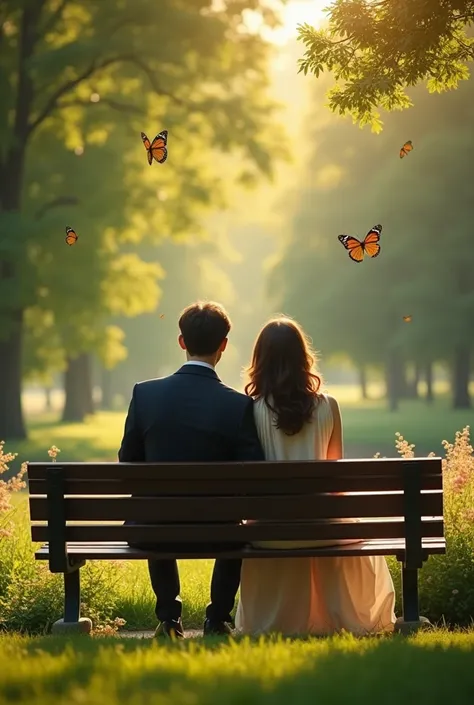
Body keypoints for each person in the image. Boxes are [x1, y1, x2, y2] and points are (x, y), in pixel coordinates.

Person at [235, 316, 396, 636]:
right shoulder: (329, 406)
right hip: (323, 527)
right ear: (302, 358)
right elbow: (336, 481)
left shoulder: (250, 410)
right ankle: (338, 618)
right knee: (355, 528)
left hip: (270, 532)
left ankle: (280, 622)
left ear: (260, 361)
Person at [118, 301, 264, 639]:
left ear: (182, 341)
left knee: (155, 510)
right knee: (235, 525)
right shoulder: (238, 404)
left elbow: (128, 463)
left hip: (154, 529)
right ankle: (217, 618)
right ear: (224, 345)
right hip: (219, 529)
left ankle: (169, 618)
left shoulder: (145, 394)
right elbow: (254, 472)